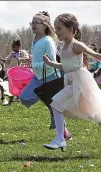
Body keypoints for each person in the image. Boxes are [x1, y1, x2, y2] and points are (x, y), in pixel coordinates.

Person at [42, 13, 101, 156]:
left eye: (59, 29)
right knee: (94, 114)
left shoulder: (76, 45)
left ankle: (60, 138)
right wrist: (52, 64)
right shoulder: (65, 46)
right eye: (55, 29)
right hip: (71, 80)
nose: (56, 32)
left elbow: (97, 56)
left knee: (55, 104)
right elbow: (67, 67)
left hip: (80, 83)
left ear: (71, 29)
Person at [20, 11, 72, 141]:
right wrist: (31, 60)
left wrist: (34, 64)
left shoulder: (48, 41)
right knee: (24, 97)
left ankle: (64, 134)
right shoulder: (35, 40)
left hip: (50, 78)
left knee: (55, 108)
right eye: (32, 23)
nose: (33, 25)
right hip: (38, 77)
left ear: (45, 25)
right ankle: (44, 97)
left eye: (36, 23)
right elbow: (39, 58)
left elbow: (51, 63)